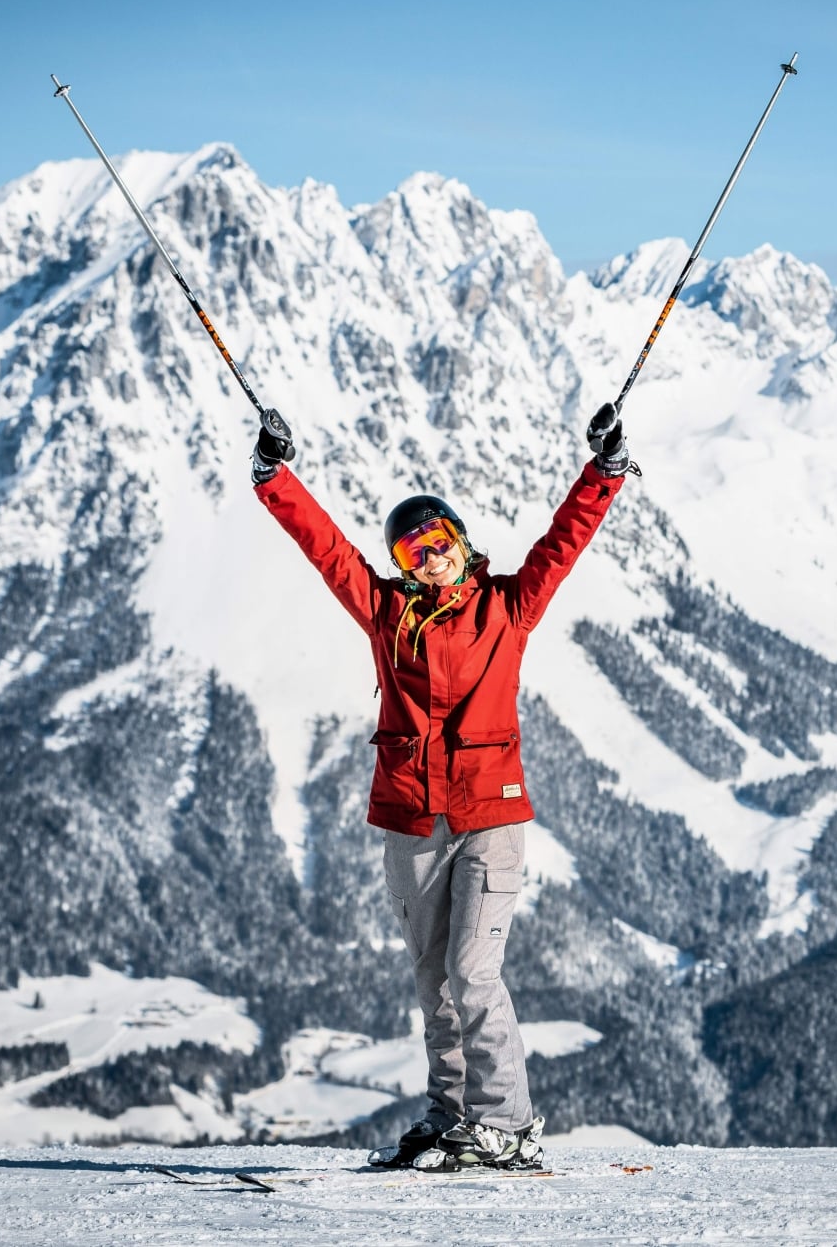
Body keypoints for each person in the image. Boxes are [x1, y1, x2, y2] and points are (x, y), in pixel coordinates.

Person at [249, 403, 633, 1171]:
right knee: (435, 981)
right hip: (412, 819)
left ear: (461, 540)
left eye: (439, 540)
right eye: (412, 548)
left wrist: (604, 472)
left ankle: (508, 1122)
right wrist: (273, 477)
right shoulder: (388, 614)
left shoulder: (506, 606)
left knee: (474, 970)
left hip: (490, 816)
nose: (429, 556)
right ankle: (451, 1112)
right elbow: (327, 551)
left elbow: (563, 546)